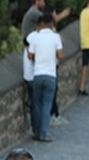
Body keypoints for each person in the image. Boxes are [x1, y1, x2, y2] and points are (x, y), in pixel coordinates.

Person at [28, 13, 63, 142]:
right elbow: (60, 55)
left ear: (41, 23)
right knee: (47, 105)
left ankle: (36, 131)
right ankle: (44, 132)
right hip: (50, 75)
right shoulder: (55, 37)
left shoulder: (36, 38)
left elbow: (30, 55)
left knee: (36, 104)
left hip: (37, 74)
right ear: (51, 24)